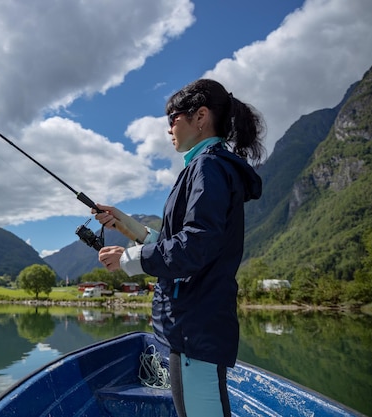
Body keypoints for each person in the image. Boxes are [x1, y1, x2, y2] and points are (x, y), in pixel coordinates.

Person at [93, 79, 264, 417]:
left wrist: (131, 259)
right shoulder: (206, 167)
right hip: (194, 326)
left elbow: (195, 247)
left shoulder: (208, 167)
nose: (168, 128)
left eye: (172, 118)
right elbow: (185, 242)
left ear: (200, 117)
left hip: (194, 327)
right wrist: (125, 224)